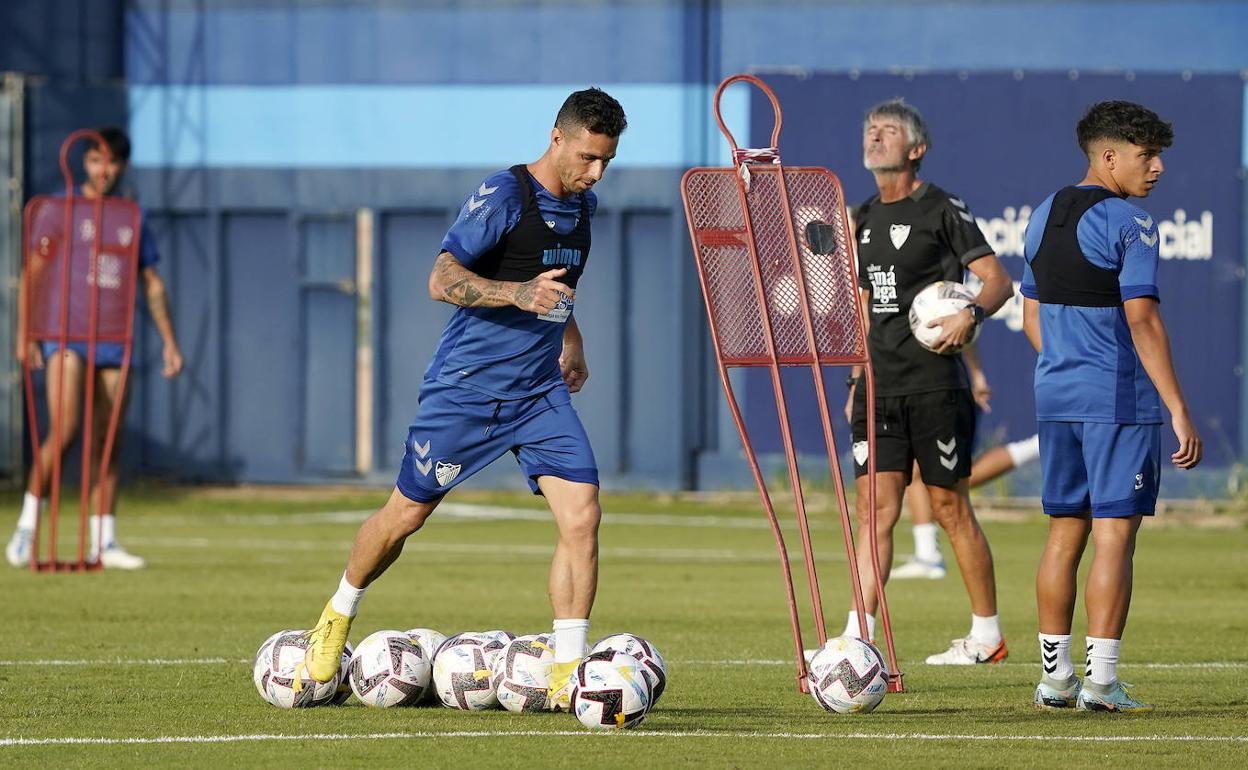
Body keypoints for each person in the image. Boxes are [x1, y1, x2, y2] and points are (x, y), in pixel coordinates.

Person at [297, 88, 627, 710]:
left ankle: (566, 671)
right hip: (466, 393)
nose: (596, 172)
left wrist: (572, 340)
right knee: (405, 517)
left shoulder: (583, 210)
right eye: (587, 157)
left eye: (606, 161)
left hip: (538, 395)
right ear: (557, 138)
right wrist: (516, 294)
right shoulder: (504, 195)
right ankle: (337, 615)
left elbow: (560, 287)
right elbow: (440, 279)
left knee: (582, 517)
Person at [1023, 100, 1200, 712]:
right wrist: (1177, 406)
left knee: (1062, 535)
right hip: (1117, 398)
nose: (1156, 168)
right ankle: (1101, 684)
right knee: (1114, 539)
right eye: (1145, 156)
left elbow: (1030, 314)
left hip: (1056, 396)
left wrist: (1068, 364)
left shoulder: (1041, 213)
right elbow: (1143, 317)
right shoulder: (1130, 221)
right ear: (1108, 156)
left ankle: (1053, 681)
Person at [843, 98, 1014, 664]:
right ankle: (856, 635)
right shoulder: (861, 217)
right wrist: (853, 382)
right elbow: (862, 305)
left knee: (949, 506)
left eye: (888, 131)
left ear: (915, 149)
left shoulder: (942, 207)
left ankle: (987, 634)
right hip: (877, 385)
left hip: (935, 384)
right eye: (871, 130)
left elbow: (997, 282)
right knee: (874, 505)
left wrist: (971, 313)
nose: (875, 137)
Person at [6, 126, 184, 570]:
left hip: (113, 338)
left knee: (108, 441)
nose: (103, 170)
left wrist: (169, 341)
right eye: (95, 161)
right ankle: (27, 529)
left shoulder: (130, 216)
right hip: (64, 334)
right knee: (64, 431)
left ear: (121, 166)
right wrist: (25, 334)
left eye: (111, 162)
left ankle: (103, 540)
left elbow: (151, 282)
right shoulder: (57, 209)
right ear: (83, 163)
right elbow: (33, 272)